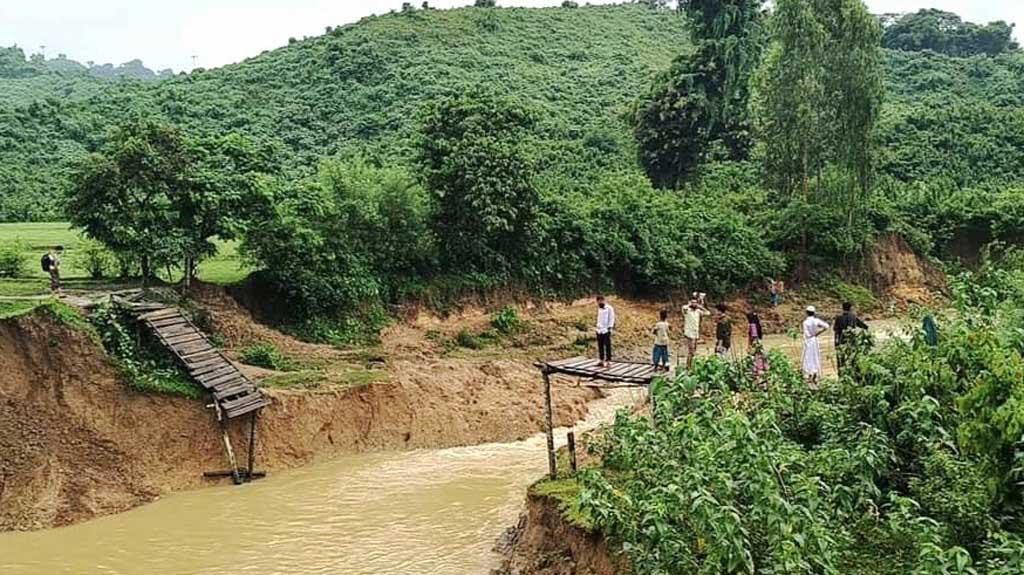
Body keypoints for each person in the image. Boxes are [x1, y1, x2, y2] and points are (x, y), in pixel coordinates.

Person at [833, 302, 869, 375]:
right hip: (851, 340)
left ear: (842, 308)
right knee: (853, 358)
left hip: (841, 340)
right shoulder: (853, 317)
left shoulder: (838, 318)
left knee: (841, 358)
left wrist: (836, 341)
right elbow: (864, 326)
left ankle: (841, 373)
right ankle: (855, 373)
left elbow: (835, 329)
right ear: (850, 308)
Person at [801, 306, 829, 386]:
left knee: (807, 357)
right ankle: (815, 375)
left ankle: (809, 375)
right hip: (814, 340)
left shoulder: (805, 322)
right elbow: (826, 326)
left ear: (806, 313)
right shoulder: (816, 321)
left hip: (808, 341)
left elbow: (806, 334)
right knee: (815, 356)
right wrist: (818, 333)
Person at [682, 296, 709, 370]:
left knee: (694, 350)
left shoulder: (698, 311)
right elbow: (684, 308)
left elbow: (707, 313)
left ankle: (691, 366)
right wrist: (689, 304)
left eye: (695, 302)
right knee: (691, 350)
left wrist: (700, 307)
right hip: (689, 332)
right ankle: (688, 367)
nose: (694, 304)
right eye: (692, 302)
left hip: (695, 332)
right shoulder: (687, 310)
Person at [595, 295, 615, 367]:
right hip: (599, 329)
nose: (600, 302)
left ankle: (609, 361)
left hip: (606, 329)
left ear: (603, 300)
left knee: (607, 345)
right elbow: (599, 318)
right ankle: (601, 360)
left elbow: (612, 318)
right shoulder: (599, 308)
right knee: (600, 345)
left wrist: (610, 327)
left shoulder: (609, 308)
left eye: (601, 300)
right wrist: (597, 327)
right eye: (598, 301)